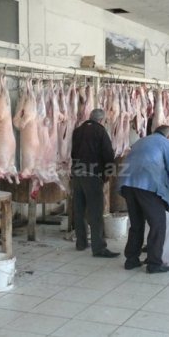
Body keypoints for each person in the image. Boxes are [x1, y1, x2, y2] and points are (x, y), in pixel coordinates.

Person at [119, 125, 169, 273]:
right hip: (147, 185)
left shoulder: (140, 141)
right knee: (158, 223)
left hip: (127, 184)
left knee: (137, 223)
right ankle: (154, 263)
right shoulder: (167, 143)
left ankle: (131, 259)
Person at [71, 108, 119, 258]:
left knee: (79, 210)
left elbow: (73, 152)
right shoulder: (100, 131)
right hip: (92, 175)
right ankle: (99, 248)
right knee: (95, 211)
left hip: (77, 174)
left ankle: (81, 243)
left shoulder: (78, 130)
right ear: (101, 120)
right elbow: (108, 154)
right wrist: (107, 174)